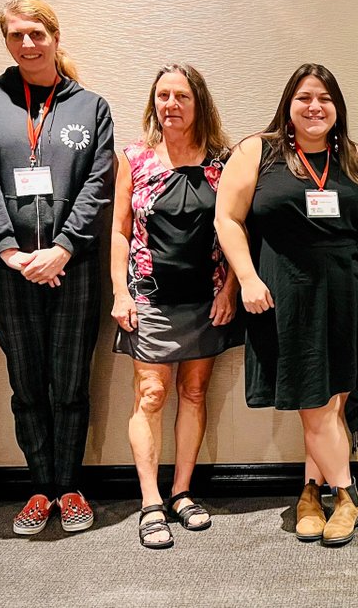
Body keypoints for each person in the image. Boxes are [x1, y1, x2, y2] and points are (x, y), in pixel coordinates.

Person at [214, 63, 358, 547]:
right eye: (305, 98)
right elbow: (228, 219)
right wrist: (246, 278)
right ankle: (350, 495)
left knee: (331, 404)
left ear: (338, 109)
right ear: (288, 105)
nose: (315, 107)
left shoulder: (353, 157)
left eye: (325, 100)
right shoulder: (258, 151)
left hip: (348, 294)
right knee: (314, 404)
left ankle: (311, 492)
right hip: (287, 291)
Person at [0, 0, 114, 535]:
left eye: (37, 34)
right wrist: (8, 250)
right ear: (6, 41)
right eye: (17, 35)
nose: (28, 44)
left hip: (74, 266)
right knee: (27, 383)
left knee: (70, 382)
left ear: (54, 35)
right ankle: (39, 488)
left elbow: (98, 183)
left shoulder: (90, 106)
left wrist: (63, 248)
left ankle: (69, 487)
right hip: (8, 269)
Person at [112, 64, 244, 549]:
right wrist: (119, 292)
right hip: (148, 297)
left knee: (194, 393)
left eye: (181, 96)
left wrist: (230, 289)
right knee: (151, 394)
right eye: (163, 96)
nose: (171, 104)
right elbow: (120, 230)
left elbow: (236, 228)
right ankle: (150, 502)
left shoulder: (223, 161)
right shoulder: (135, 158)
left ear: (199, 103)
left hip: (207, 297)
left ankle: (182, 492)